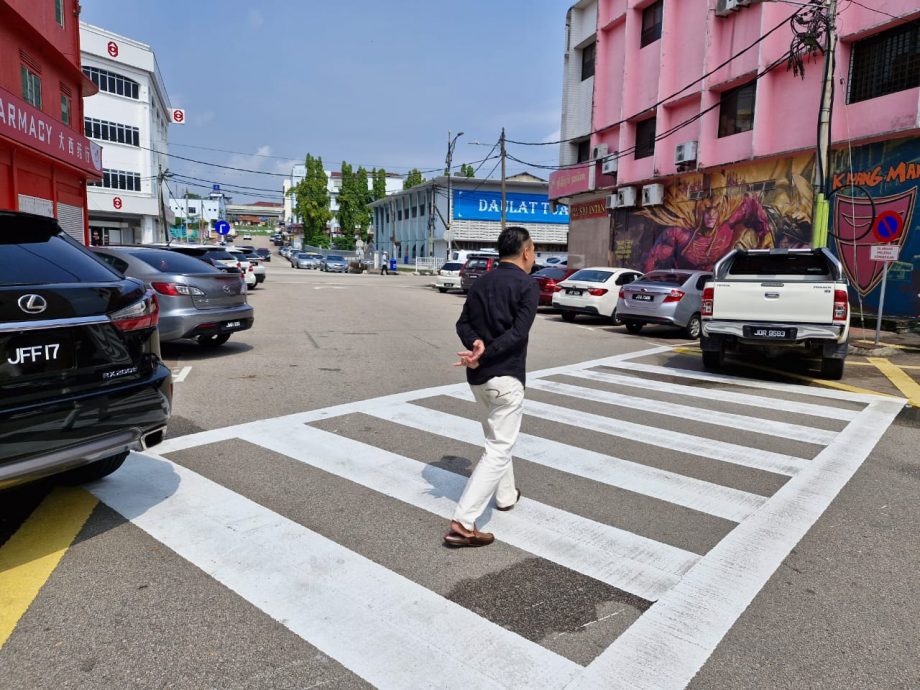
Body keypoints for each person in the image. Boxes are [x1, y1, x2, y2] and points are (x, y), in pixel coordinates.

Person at [444, 226, 539, 548]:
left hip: (478, 379)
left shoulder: (482, 281)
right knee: (498, 447)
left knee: (498, 439)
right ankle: (464, 521)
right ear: (526, 251)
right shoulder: (527, 285)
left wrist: (475, 346)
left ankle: (506, 495)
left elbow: (463, 323)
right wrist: (486, 352)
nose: (534, 255)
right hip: (506, 378)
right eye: (534, 250)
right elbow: (518, 333)